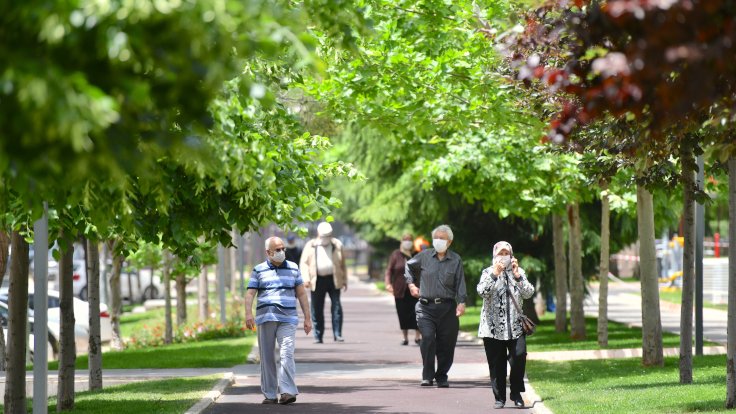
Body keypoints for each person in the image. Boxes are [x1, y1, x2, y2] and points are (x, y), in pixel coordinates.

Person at [245, 236, 312, 405]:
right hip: (265, 318)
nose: (282, 252)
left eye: (283, 249)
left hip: (288, 318)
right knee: (267, 357)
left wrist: (307, 318)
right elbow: (250, 293)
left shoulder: (293, 268)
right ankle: (270, 394)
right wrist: (248, 314)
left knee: (286, 353)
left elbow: (302, 293)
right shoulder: (258, 270)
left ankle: (288, 391)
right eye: (278, 249)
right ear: (268, 252)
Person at [405, 224, 467, 388]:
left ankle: (442, 375)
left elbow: (460, 282)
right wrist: (411, 285)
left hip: (447, 308)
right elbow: (409, 266)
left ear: (449, 242)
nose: (438, 240)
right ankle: (427, 375)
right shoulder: (424, 256)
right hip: (425, 307)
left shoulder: (455, 259)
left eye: (442, 238)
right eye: (436, 237)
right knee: (427, 338)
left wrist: (461, 302)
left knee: (447, 344)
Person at [477, 241, 535, 409]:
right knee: (497, 364)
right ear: (494, 255)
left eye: (506, 253)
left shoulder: (519, 272)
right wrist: (495, 274)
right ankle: (499, 397)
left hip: (515, 327)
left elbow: (529, 293)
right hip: (492, 328)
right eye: (500, 253)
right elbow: (482, 291)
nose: (503, 257)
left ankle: (516, 393)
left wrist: (517, 276)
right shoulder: (487, 272)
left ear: (511, 255)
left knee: (519, 356)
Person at [299, 221, 348, 343]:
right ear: (318, 234)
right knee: (317, 308)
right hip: (317, 280)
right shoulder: (310, 245)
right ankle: (318, 335)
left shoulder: (337, 245)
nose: (326, 239)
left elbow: (343, 265)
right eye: (323, 236)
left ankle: (338, 334)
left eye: (328, 236)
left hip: (334, 279)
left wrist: (345, 280)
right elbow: (304, 263)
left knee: (336, 307)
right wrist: (306, 279)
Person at [385, 233, 421, 346]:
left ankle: (417, 336)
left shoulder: (417, 254)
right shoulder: (396, 254)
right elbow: (389, 270)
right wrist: (388, 283)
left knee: (418, 313)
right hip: (400, 290)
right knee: (402, 314)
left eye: (409, 240)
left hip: (415, 290)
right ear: (401, 241)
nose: (407, 242)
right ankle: (404, 337)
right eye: (405, 240)